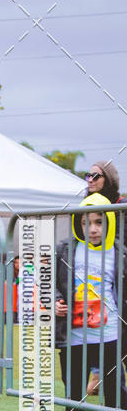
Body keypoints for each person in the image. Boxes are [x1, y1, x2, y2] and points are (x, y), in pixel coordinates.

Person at [55, 192, 127, 411]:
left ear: (108, 222)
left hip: (109, 335)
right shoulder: (65, 249)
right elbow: (50, 285)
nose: (93, 228)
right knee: (73, 389)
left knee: (114, 389)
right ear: (78, 224)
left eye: (99, 222)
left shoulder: (118, 253)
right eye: (87, 223)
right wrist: (57, 303)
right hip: (73, 335)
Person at [83, 162, 123, 395]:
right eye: (87, 175)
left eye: (95, 175)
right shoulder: (83, 205)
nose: (90, 179)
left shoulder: (120, 205)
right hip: (92, 281)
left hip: (118, 281)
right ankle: (98, 371)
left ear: (108, 179)